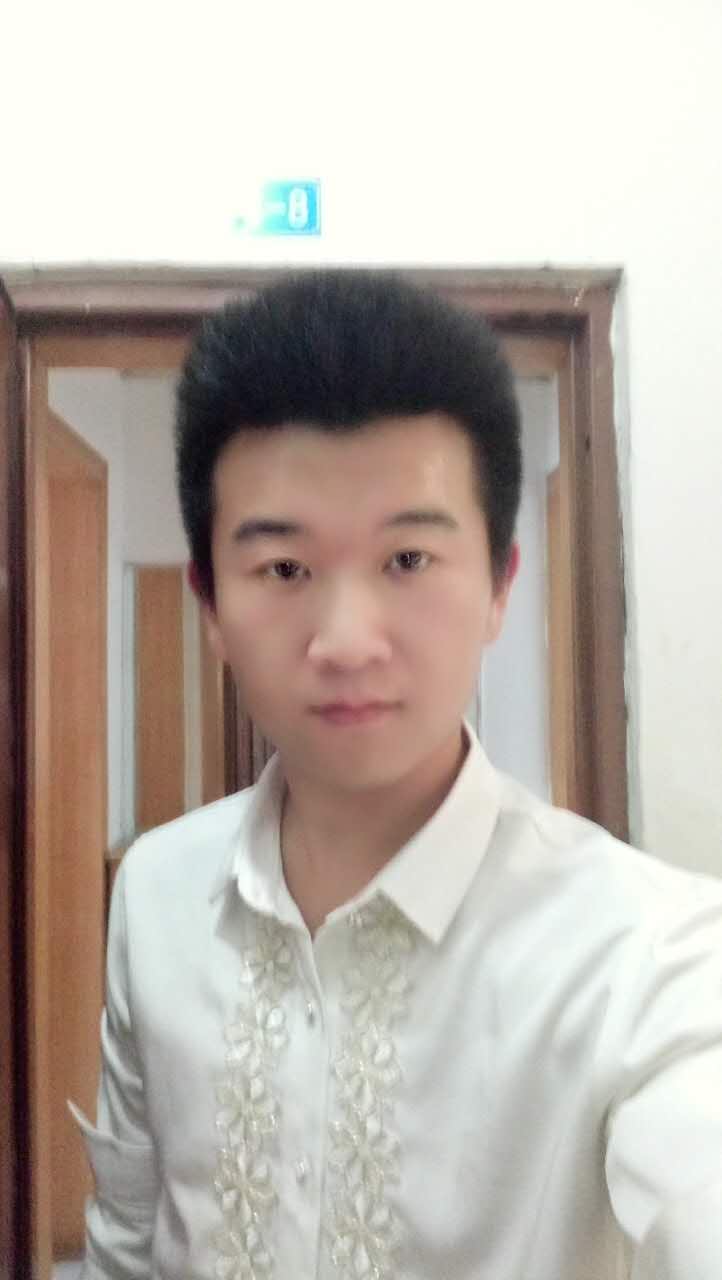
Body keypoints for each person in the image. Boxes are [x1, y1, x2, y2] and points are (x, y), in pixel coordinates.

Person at [71, 271, 722, 1279]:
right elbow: (127, 1235)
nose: (345, 641)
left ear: (499, 584)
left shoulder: (650, 957)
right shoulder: (155, 891)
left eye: (408, 559)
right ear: (210, 604)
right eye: (284, 568)